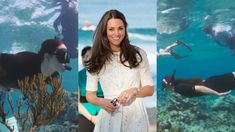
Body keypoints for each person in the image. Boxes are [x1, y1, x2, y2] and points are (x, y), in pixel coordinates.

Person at [85, 9, 154, 132]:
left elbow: (149, 89)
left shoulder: (138, 54)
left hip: (136, 116)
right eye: (111, 29)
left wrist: (135, 90)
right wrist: (101, 101)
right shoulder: (96, 59)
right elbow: (90, 95)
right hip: (109, 116)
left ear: (125, 29)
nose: (116, 34)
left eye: (120, 28)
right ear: (104, 31)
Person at [0, 39, 72, 92]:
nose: (66, 60)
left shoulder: (53, 77)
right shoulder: (23, 61)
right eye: (62, 55)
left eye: (67, 56)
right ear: (47, 56)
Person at [78, 46, 104, 132]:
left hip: (105, 109)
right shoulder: (78, 76)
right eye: (85, 56)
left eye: (91, 56)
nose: (88, 59)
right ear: (82, 59)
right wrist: (91, 117)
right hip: (85, 111)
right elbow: (77, 102)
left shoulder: (105, 74)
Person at [162, 70, 233, 97]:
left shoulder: (179, 88)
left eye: (165, 88)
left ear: (169, 85)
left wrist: (217, 94)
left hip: (216, 85)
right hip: (213, 82)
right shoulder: (179, 84)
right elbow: (198, 81)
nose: (166, 90)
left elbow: (200, 88)